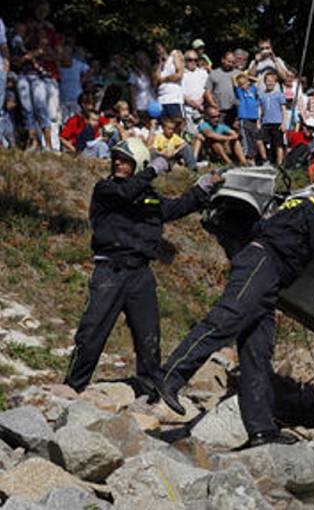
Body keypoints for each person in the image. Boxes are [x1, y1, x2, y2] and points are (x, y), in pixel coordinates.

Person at [152, 166, 314, 449]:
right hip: (263, 266)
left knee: (257, 354)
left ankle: (261, 430)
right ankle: (170, 375)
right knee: (223, 322)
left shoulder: (300, 201)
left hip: (266, 272)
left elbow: (262, 226)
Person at [64, 138, 220, 393]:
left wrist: (201, 190)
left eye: (125, 161)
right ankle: (72, 388)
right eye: (117, 159)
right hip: (110, 270)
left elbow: (174, 208)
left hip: (140, 273)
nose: (118, 164)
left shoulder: (148, 198)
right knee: (92, 333)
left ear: (136, 164)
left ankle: (149, 391)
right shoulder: (107, 189)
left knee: (148, 335)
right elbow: (127, 192)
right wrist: (154, 170)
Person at [258, 72, 287, 165]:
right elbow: (260, 109)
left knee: (278, 144)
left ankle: (279, 163)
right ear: (264, 82)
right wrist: (258, 121)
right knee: (263, 141)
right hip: (266, 122)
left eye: (272, 81)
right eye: (267, 81)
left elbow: (283, 110)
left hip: (277, 122)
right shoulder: (262, 95)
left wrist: (283, 123)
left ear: (275, 83)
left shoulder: (279, 95)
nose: (269, 83)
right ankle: (265, 159)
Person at [204, 52, 239, 127]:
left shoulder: (238, 73)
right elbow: (207, 92)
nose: (230, 64)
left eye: (233, 62)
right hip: (220, 110)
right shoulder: (214, 73)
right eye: (229, 61)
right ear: (223, 60)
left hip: (234, 111)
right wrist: (213, 104)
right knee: (220, 131)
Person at [233, 72, 260, 162]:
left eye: (245, 83)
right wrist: (241, 80)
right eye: (241, 84)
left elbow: (258, 81)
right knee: (246, 137)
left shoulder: (253, 89)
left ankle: (253, 157)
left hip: (253, 118)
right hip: (244, 118)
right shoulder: (240, 92)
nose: (243, 85)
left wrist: (247, 77)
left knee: (254, 137)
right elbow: (233, 78)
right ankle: (246, 157)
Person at [153, 42, 184, 120]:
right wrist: (160, 63)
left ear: (164, 48)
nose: (158, 52)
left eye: (159, 49)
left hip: (173, 99)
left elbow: (179, 75)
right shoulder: (157, 65)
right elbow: (155, 82)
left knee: (177, 124)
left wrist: (164, 79)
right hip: (161, 101)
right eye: (156, 50)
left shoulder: (173, 57)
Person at [181, 49, 208, 135]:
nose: (193, 62)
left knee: (205, 136)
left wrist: (200, 102)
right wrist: (192, 102)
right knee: (191, 136)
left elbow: (207, 89)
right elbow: (178, 92)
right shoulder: (180, 74)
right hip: (186, 111)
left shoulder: (203, 73)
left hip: (202, 110)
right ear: (185, 60)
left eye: (196, 60)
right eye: (190, 60)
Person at [128, 50, 156, 124]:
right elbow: (132, 93)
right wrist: (134, 109)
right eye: (140, 60)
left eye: (144, 59)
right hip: (140, 105)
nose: (142, 62)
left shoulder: (151, 73)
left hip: (152, 105)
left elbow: (155, 87)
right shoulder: (134, 75)